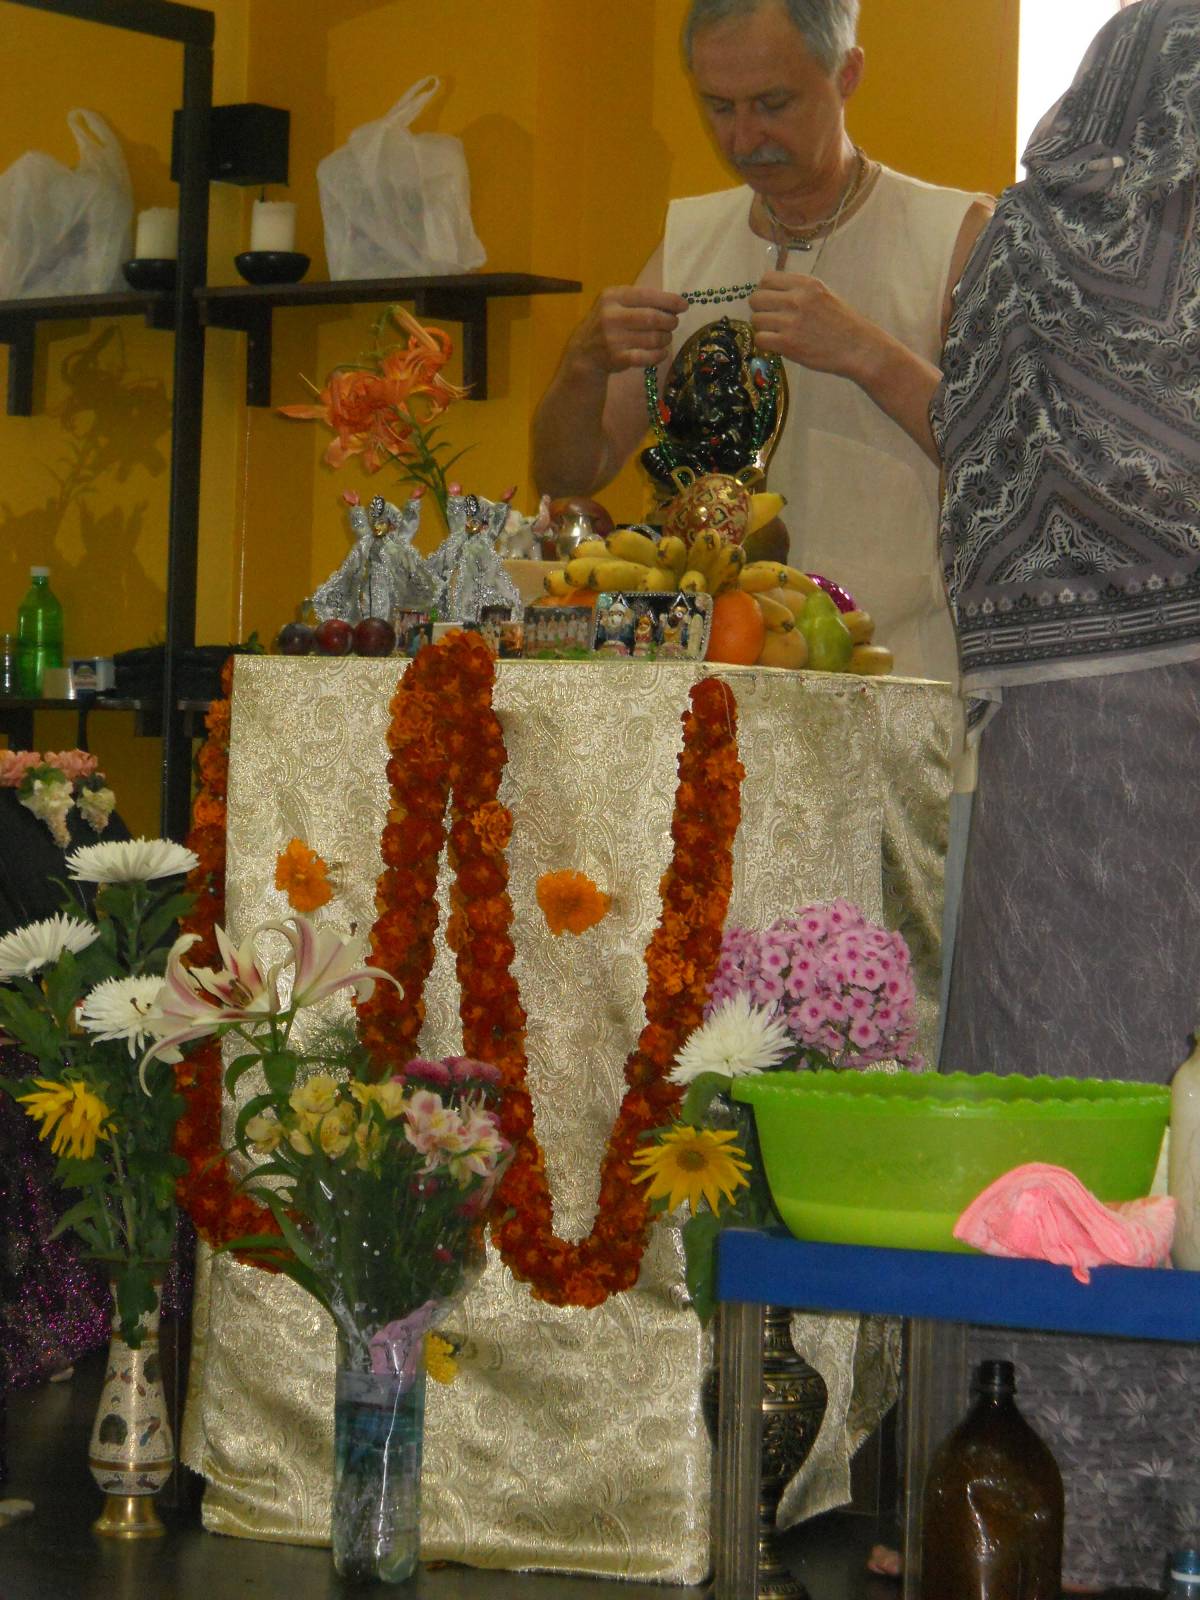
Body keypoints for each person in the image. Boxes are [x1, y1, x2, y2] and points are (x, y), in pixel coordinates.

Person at [934, 1, 1200, 1589]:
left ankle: (1042, 1508)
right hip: (1119, 742)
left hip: (1059, 746)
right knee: (1127, 1139)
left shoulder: (1019, 251)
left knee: (1062, 1121)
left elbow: (969, 479)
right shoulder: (1080, 254)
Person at [531, 0, 993, 686]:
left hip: (900, 690)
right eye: (719, 106)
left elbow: (1011, 460)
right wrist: (582, 363)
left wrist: (868, 354)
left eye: (773, 103)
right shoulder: (687, 245)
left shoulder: (954, 235)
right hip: (709, 691)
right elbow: (568, 476)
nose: (745, 137)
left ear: (847, 74)